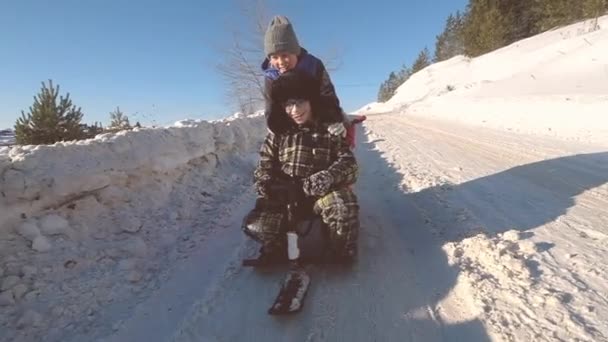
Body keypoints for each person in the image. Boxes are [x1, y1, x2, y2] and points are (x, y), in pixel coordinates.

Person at [243, 69, 360, 263]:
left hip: (320, 195)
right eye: (288, 104)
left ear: (312, 100)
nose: (295, 110)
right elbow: (263, 166)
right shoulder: (278, 134)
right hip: (285, 196)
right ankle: (276, 245)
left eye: (300, 102)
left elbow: (349, 164)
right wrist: (266, 183)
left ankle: (339, 247)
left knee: (343, 207)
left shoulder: (328, 130)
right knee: (260, 226)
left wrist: (328, 177)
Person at [261, 15, 359, 147]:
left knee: (337, 133)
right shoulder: (271, 75)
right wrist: (273, 124)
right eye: (274, 57)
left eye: (285, 55)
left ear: (295, 52)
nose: (280, 62)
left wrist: (332, 119)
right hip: (292, 116)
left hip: (316, 110)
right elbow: (271, 103)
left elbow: (327, 93)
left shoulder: (313, 65)